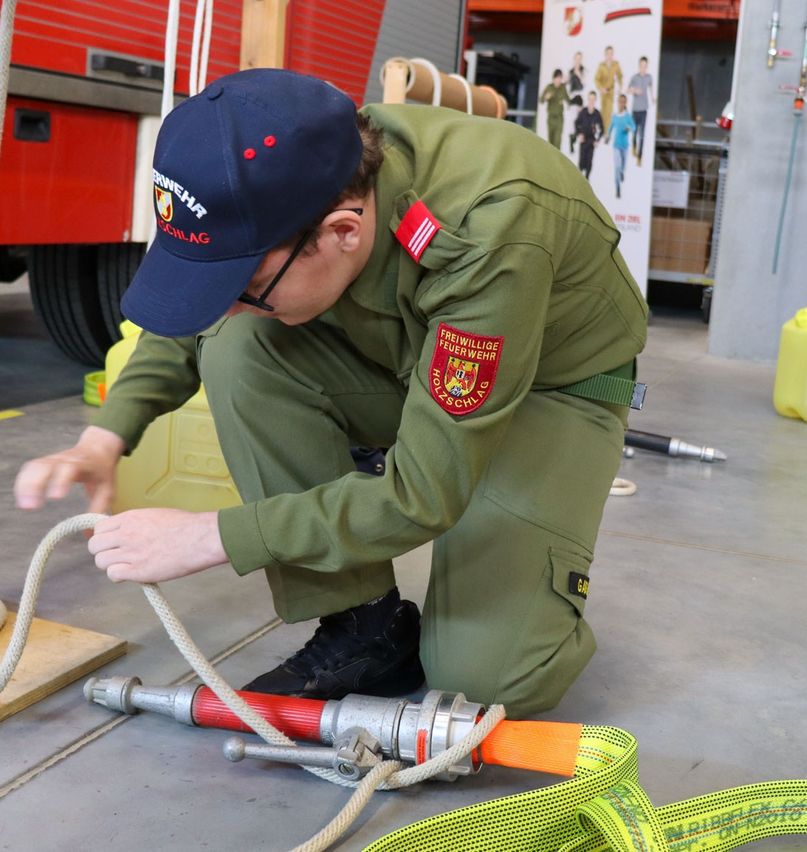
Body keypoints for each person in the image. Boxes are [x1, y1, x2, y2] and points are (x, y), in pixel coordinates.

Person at [15, 69, 647, 719]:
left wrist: (214, 537)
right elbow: (210, 314)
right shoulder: (305, 172)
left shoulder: (491, 225)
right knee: (239, 347)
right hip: (406, 361)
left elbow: (423, 494)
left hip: (550, 392)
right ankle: (365, 625)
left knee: (483, 683)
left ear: (343, 233)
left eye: (248, 285)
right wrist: (106, 435)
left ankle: (530, 591)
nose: (228, 307)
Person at [606, 94, 636, 199]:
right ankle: (617, 187)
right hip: (616, 146)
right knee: (617, 167)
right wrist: (608, 136)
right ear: (618, 102)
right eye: (620, 101)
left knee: (622, 167)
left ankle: (622, 172)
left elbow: (634, 127)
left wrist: (629, 128)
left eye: (623, 101)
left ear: (625, 103)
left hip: (625, 146)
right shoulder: (614, 116)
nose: (621, 103)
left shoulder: (627, 116)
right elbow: (610, 128)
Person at [627, 57, 654, 166]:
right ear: (639, 66)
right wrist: (635, 90)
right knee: (634, 131)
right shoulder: (634, 77)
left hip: (644, 109)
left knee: (642, 134)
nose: (643, 68)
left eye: (645, 66)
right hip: (635, 109)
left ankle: (640, 156)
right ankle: (633, 146)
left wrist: (652, 97)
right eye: (641, 65)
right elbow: (628, 89)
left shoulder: (649, 77)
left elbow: (651, 87)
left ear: (646, 66)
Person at [574, 90, 605, 180]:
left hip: (591, 141)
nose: (591, 101)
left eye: (593, 99)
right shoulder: (583, 112)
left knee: (589, 163)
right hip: (583, 140)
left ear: (595, 100)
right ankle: (579, 181)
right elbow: (576, 123)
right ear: (588, 100)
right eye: (590, 99)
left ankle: (586, 180)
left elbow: (602, 129)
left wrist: (597, 140)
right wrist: (579, 134)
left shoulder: (597, 114)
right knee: (581, 163)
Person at [594, 46, 623, 133]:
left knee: (609, 111)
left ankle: (606, 132)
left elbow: (620, 76)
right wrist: (601, 88)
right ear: (605, 55)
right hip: (603, 91)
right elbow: (596, 79)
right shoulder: (601, 66)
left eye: (611, 53)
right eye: (608, 54)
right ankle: (602, 130)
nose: (610, 55)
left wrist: (620, 86)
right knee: (603, 111)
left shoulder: (616, 64)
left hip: (611, 91)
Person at [539, 69, 569, 149]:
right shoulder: (549, 87)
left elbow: (568, 99)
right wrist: (546, 97)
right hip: (551, 118)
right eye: (557, 78)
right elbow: (541, 100)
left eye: (560, 78)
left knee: (557, 142)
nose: (558, 80)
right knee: (550, 143)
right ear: (553, 78)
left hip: (559, 119)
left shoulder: (563, 87)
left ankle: (556, 161)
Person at [567, 52, 585, 155]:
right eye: (576, 58)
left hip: (580, 98)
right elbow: (568, 84)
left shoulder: (583, 71)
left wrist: (579, 75)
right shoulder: (570, 71)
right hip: (572, 98)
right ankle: (571, 142)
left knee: (578, 122)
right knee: (572, 123)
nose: (578, 60)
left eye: (580, 59)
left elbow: (585, 84)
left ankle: (575, 140)